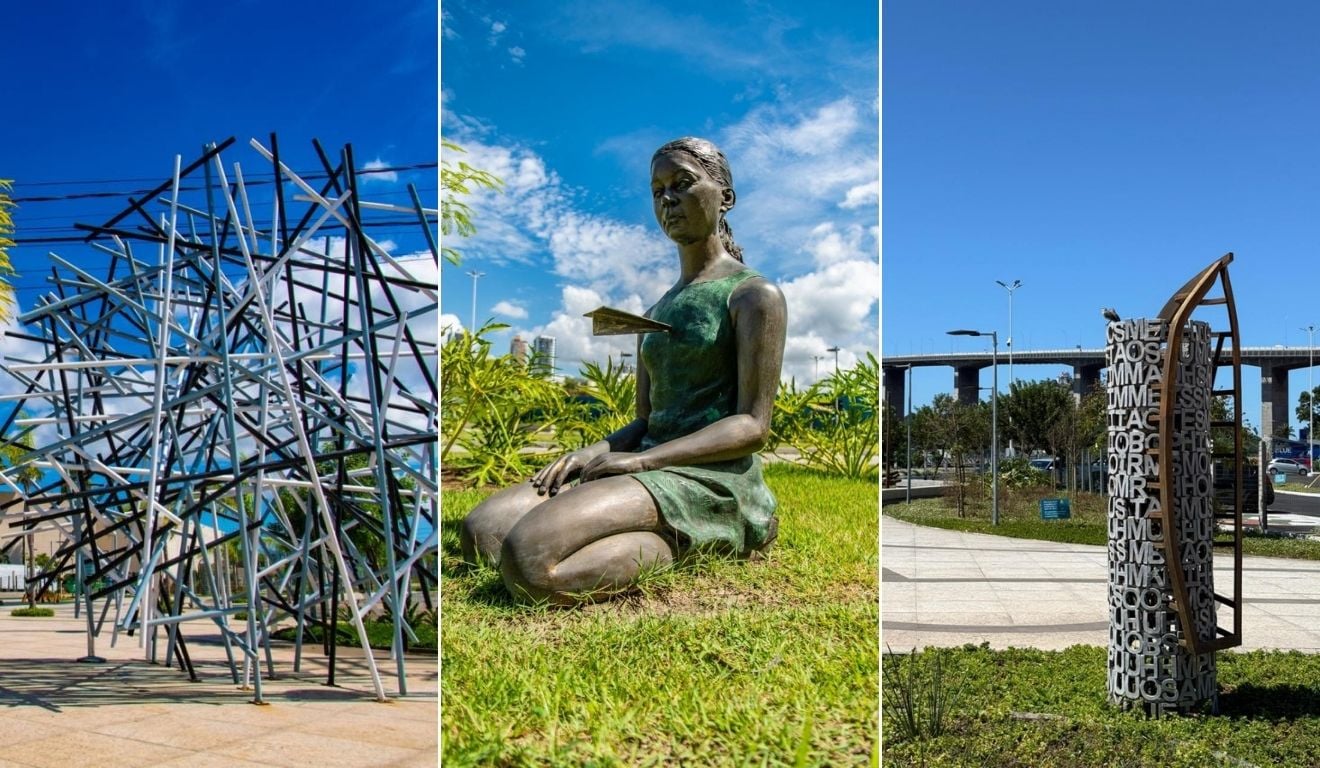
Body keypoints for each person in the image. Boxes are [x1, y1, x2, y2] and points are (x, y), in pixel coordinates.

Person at [459, 137, 787, 605]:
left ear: (724, 197)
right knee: (481, 531)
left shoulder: (753, 295)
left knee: (530, 562)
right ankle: (661, 533)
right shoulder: (656, 310)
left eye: (682, 183)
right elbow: (645, 420)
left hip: (711, 476)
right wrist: (590, 453)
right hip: (647, 465)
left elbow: (753, 426)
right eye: (657, 190)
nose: (667, 199)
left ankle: (704, 536)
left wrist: (642, 461)